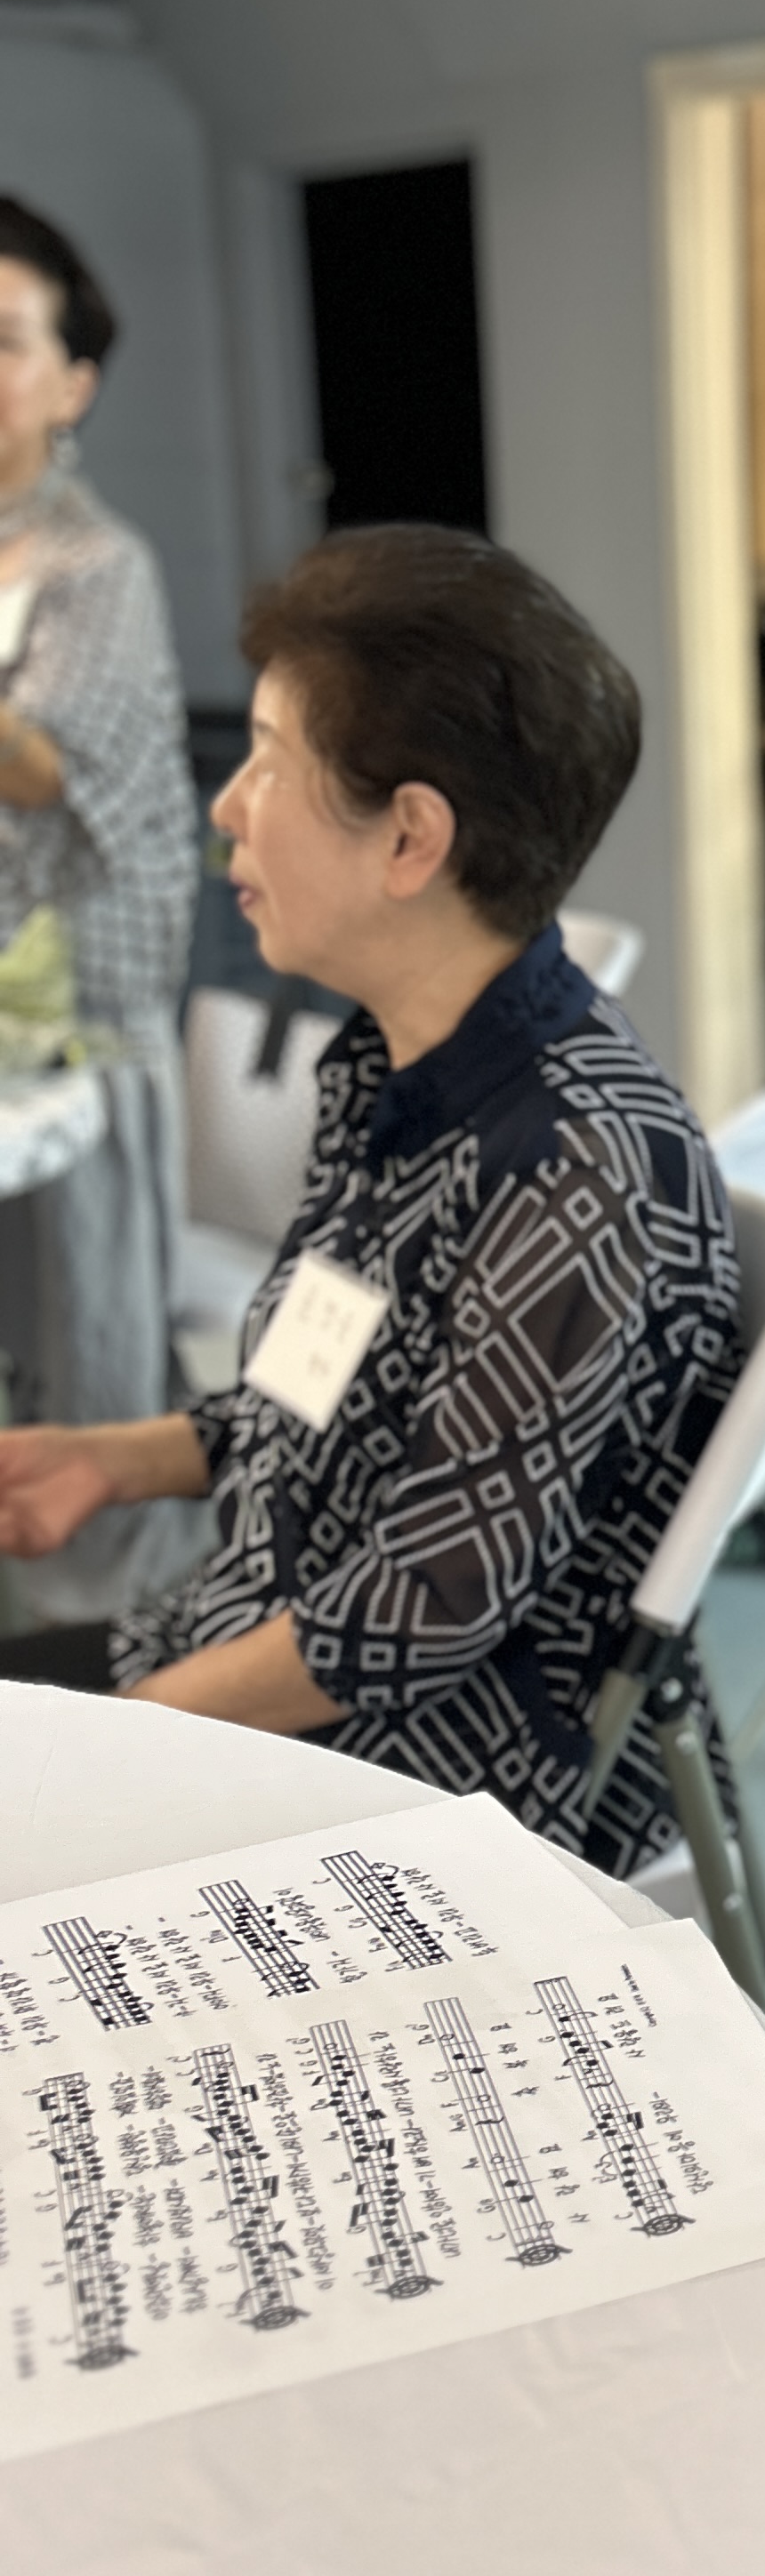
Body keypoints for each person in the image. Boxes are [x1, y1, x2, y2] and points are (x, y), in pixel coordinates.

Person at [0, 524, 742, 1876]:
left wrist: (111, 1748)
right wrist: (115, 1459)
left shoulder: (581, 1168)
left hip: (427, 1784)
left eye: (268, 763)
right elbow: (336, 1393)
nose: (227, 808)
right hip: (252, 1655)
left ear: (409, 837)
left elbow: (415, 1612)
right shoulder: (407, 1066)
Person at [0, 194, 202, 1619]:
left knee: (90, 1348)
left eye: (6, 341)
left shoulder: (96, 563)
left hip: (80, 1021)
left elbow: (43, 769)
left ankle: (117, 1647)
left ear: (72, 385)